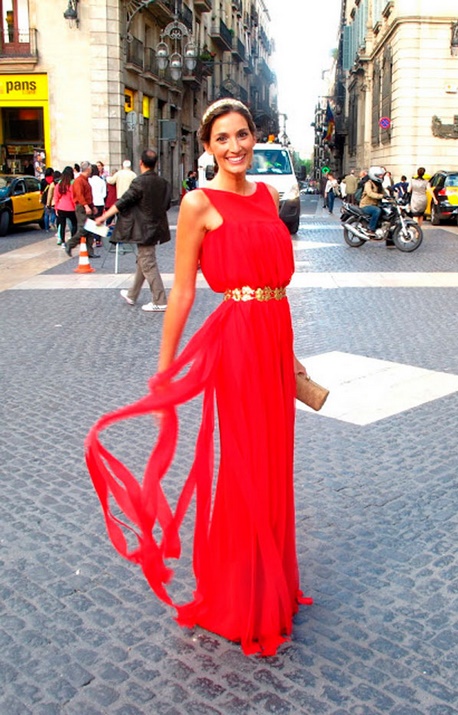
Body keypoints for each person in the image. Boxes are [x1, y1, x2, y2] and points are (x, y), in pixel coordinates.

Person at [85, 99, 313, 657]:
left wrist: (294, 355)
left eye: (242, 135)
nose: (234, 147)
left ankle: (270, 587)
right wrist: (164, 369)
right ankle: (241, 598)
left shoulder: (268, 197)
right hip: (237, 344)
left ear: (254, 137)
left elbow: (276, 287)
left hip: (274, 339)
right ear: (207, 147)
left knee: (274, 465)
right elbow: (183, 290)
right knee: (245, 467)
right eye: (222, 139)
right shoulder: (197, 203)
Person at [96, 149, 170, 312]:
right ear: (155, 163)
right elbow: (167, 204)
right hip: (157, 227)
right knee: (143, 260)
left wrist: (103, 217)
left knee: (148, 262)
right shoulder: (163, 183)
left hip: (143, 228)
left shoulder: (139, 182)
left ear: (141, 163)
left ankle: (160, 299)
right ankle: (132, 294)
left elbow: (123, 202)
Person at [64, 160, 98, 258]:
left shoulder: (85, 180)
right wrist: (86, 206)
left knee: (90, 229)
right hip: (82, 207)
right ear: (87, 169)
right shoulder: (79, 181)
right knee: (83, 229)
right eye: (91, 169)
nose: (91, 171)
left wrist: (92, 206)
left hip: (87, 206)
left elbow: (87, 195)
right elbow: (79, 195)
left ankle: (90, 251)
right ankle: (70, 243)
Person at [359, 166, 386, 236]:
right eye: (379, 176)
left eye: (381, 176)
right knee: (377, 210)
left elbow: (384, 192)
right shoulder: (368, 183)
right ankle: (371, 229)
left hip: (374, 204)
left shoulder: (378, 184)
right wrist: (381, 196)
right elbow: (370, 193)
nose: (381, 177)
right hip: (365, 205)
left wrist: (391, 197)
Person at [54, 166, 77, 245]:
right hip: (71, 208)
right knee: (74, 224)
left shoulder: (59, 184)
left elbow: (56, 197)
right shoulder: (73, 184)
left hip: (61, 207)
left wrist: (56, 208)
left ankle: (62, 241)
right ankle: (73, 239)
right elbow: (73, 197)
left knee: (62, 225)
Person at [89, 163, 107, 246]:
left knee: (91, 221)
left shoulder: (89, 181)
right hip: (100, 202)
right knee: (99, 220)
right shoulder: (102, 181)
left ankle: (91, 238)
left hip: (91, 202)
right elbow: (104, 194)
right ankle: (98, 240)